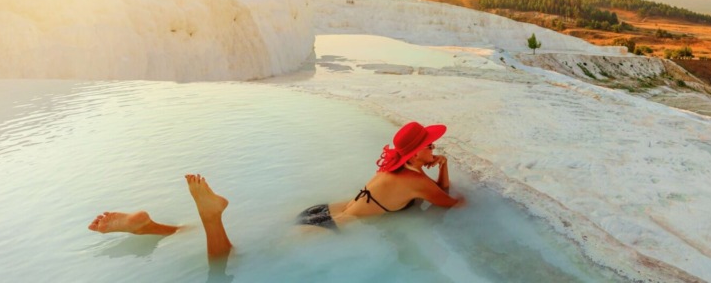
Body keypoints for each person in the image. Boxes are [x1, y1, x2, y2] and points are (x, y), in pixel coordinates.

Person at [88, 122, 462, 261]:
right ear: (416, 155)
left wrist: (437, 167)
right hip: (329, 228)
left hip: (319, 212)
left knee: (253, 236)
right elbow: (451, 203)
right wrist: (443, 169)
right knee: (235, 260)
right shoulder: (417, 181)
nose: (434, 150)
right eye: (430, 147)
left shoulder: (390, 169)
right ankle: (211, 218)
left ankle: (156, 228)